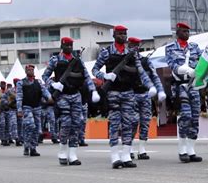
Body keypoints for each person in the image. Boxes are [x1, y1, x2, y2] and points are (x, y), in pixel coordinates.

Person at [92, 25, 156, 169]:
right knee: (115, 124)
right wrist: (105, 75)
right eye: (120, 34)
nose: (123, 36)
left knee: (129, 124)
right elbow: (94, 69)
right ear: (114, 35)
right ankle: (115, 155)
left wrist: (151, 86)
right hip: (113, 92)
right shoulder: (106, 52)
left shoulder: (131, 53)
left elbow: (141, 72)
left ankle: (126, 155)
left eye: (125, 34)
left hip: (128, 93)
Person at [42, 36, 100, 166]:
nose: (69, 47)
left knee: (77, 124)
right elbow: (44, 76)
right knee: (66, 123)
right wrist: (53, 84)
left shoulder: (77, 61)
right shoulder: (55, 60)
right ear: (62, 46)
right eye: (66, 45)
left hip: (76, 95)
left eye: (70, 45)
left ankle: (73, 154)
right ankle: (62, 150)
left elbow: (86, 76)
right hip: (63, 95)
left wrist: (93, 90)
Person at [165, 22, 204, 163]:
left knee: (195, 118)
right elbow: (173, 66)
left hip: (194, 85)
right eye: (184, 31)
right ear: (178, 32)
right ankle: (182, 150)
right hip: (181, 86)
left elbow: (203, 62)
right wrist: (186, 70)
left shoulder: (194, 47)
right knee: (185, 116)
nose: (187, 34)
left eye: (188, 31)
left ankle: (191, 150)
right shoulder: (170, 48)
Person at [127, 37, 166, 160]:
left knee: (145, 122)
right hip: (131, 94)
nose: (135, 47)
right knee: (132, 122)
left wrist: (158, 90)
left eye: (137, 45)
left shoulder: (145, 61)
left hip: (145, 94)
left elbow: (154, 76)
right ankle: (129, 148)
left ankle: (142, 150)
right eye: (133, 45)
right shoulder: (125, 60)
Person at [17, 64, 52, 156]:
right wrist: (19, 109)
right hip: (27, 107)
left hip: (37, 107)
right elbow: (19, 97)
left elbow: (45, 91)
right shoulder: (21, 83)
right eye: (29, 70)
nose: (31, 71)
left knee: (37, 129)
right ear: (25, 71)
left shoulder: (38, 82)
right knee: (30, 125)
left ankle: (33, 148)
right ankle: (26, 145)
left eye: (32, 70)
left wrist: (49, 97)